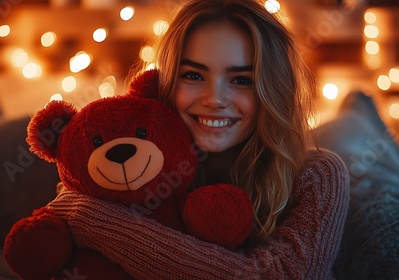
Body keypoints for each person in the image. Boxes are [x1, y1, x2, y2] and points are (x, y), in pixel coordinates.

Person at [48, 0, 350, 278]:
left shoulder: (318, 174)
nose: (215, 99)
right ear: (165, 80)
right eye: (193, 75)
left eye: (241, 80)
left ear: (273, 91)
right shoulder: (131, 165)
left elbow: (283, 275)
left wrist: (96, 222)